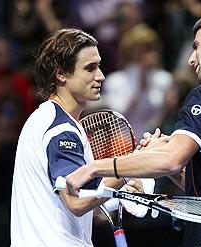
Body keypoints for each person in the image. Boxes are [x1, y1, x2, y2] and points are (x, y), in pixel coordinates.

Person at [65, 9, 201, 247]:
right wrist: (167, 160)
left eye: (197, 45)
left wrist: (97, 168)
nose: (191, 59)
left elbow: (171, 160)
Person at [10, 28, 147, 246]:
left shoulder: (49, 119)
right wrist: (128, 171)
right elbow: (75, 201)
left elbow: (70, 208)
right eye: (90, 68)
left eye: (99, 66)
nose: (100, 76)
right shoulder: (60, 128)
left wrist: (118, 194)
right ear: (61, 73)